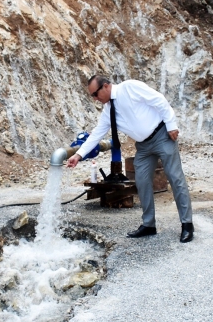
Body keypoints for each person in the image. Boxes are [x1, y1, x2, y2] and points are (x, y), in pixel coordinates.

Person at [66, 75, 194, 242]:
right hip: (143, 146)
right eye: (93, 96)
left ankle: (187, 225)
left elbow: (159, 100)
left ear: (105, 86)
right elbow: (96, 134)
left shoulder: (130, 87)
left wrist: (171, 124)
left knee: (175, 178)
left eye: (95, 94)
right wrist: (78, 155)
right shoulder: (108, 111)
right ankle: (149, 224)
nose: (95, 99)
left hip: (162, 135)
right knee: (141, 181)